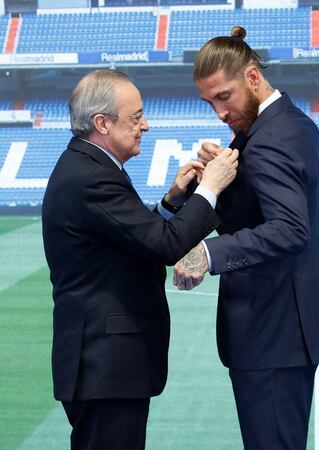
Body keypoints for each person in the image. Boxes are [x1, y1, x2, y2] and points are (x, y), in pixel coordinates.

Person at [42, 69, 239, 450]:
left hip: (104, 367)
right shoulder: (92, 178)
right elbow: (165, 246)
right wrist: (211, 187)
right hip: (106, 366)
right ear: (102, 123)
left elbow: (131, 238)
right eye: (135, 117)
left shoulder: (88, 168)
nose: (145, 126)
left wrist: (171, 202)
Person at [173, 27, 319, 450]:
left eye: (223, 97)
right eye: (210, 103)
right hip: (282, 334)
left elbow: (290, 228)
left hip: (272, 337)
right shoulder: (287, 124)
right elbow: (258, 210)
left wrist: (210, 252)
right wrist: (217, 179)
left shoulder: (268, 140)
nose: (219, 113)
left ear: (253, 78)